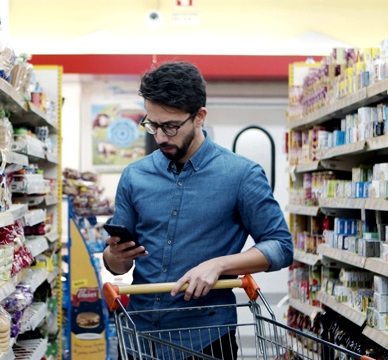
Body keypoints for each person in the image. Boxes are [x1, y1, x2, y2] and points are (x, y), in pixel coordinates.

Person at [102, 61, 293, 360]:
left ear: (200, 116)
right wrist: (114, 257)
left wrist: (219, 265)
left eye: (171, 126)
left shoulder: (241, 174)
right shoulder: (134, 175)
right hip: (138, 336)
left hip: (206, 339)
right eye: (152, 125)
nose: (161, 137)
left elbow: (280, 247)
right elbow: (117, 263)